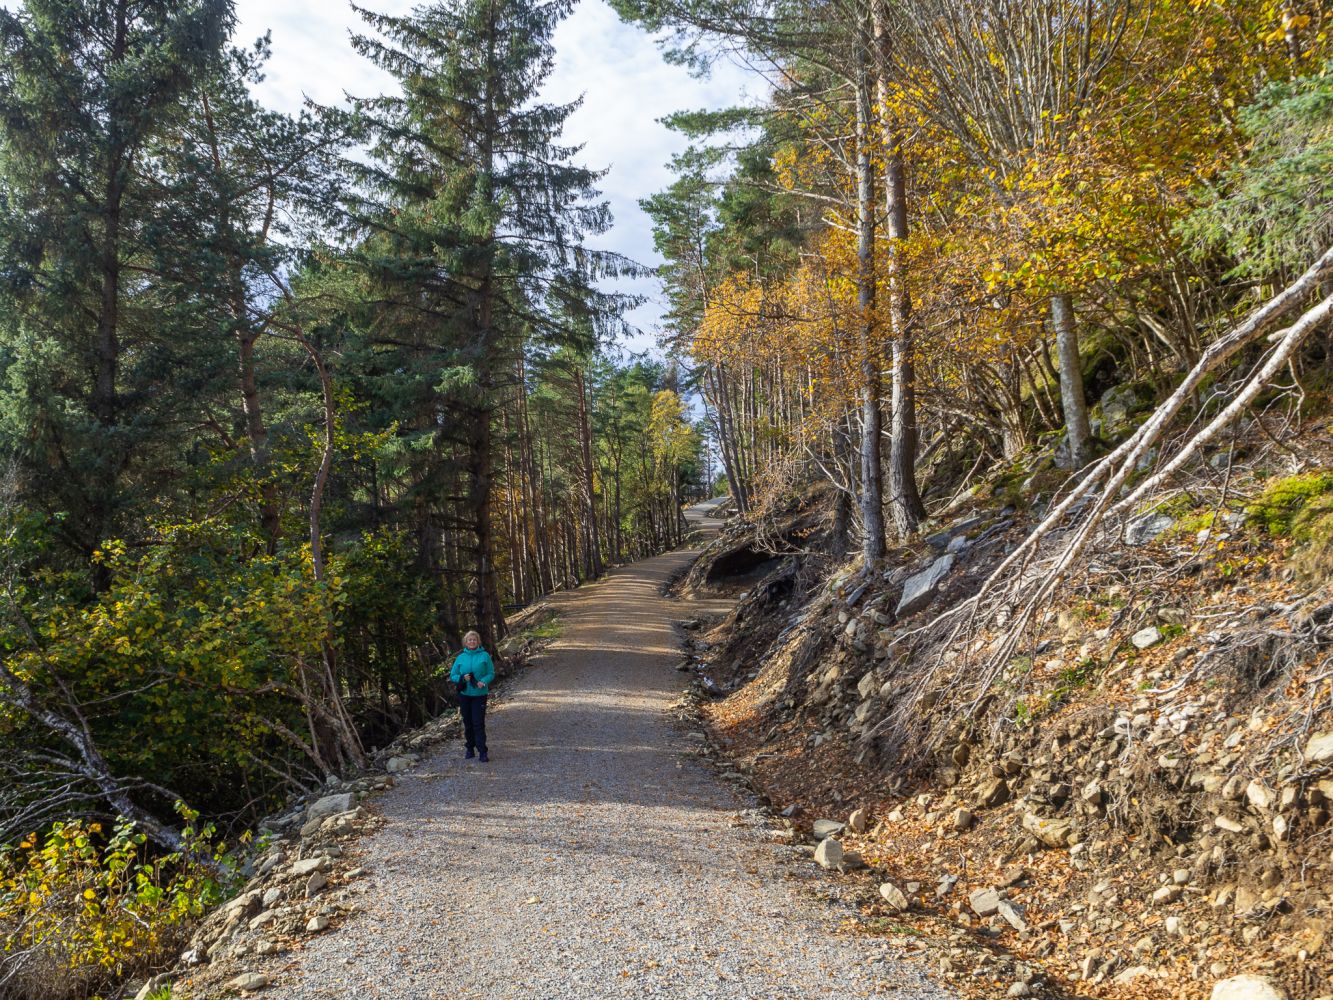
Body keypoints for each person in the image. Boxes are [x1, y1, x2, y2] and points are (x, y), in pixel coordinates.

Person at [449, 630, 494, 762]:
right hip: (465, 695)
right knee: (468, 723)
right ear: (466, 642)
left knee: (478, 723)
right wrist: (462, 678)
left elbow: (491, 673)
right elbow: (453, 675)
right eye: (469, 640)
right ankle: (470, 748)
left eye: (474, 640)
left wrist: (484, 681)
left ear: (478, 641)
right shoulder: (460, 657)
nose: (472, 642)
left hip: (479, 694)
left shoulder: (485, 655)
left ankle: (482, 752)